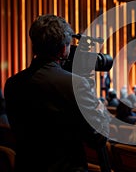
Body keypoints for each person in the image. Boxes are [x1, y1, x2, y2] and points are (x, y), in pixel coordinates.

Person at [4, 14, 111, 172]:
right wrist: (100, 109)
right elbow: (98, 138)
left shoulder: (12, 83)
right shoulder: (75, 85)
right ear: (63, 49)